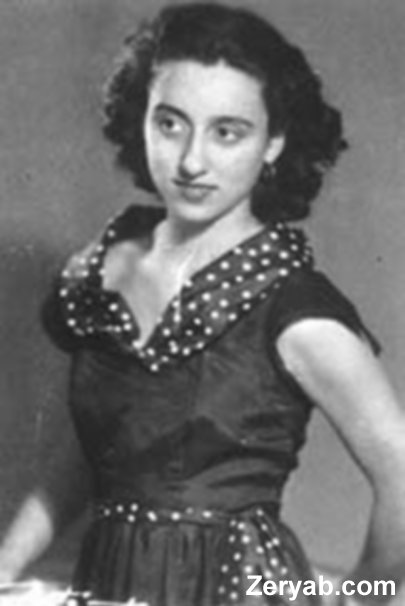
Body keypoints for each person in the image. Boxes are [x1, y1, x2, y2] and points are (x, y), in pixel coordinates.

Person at [0, 3, 404, 605]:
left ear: (274, 143)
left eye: (226, 132)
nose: (192, 161)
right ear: (141, 119)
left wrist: (365, 596)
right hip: (110, 582)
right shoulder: (101, 269)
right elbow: (93, 451)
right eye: (170, 124)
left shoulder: (295, 305)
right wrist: (5, 565)